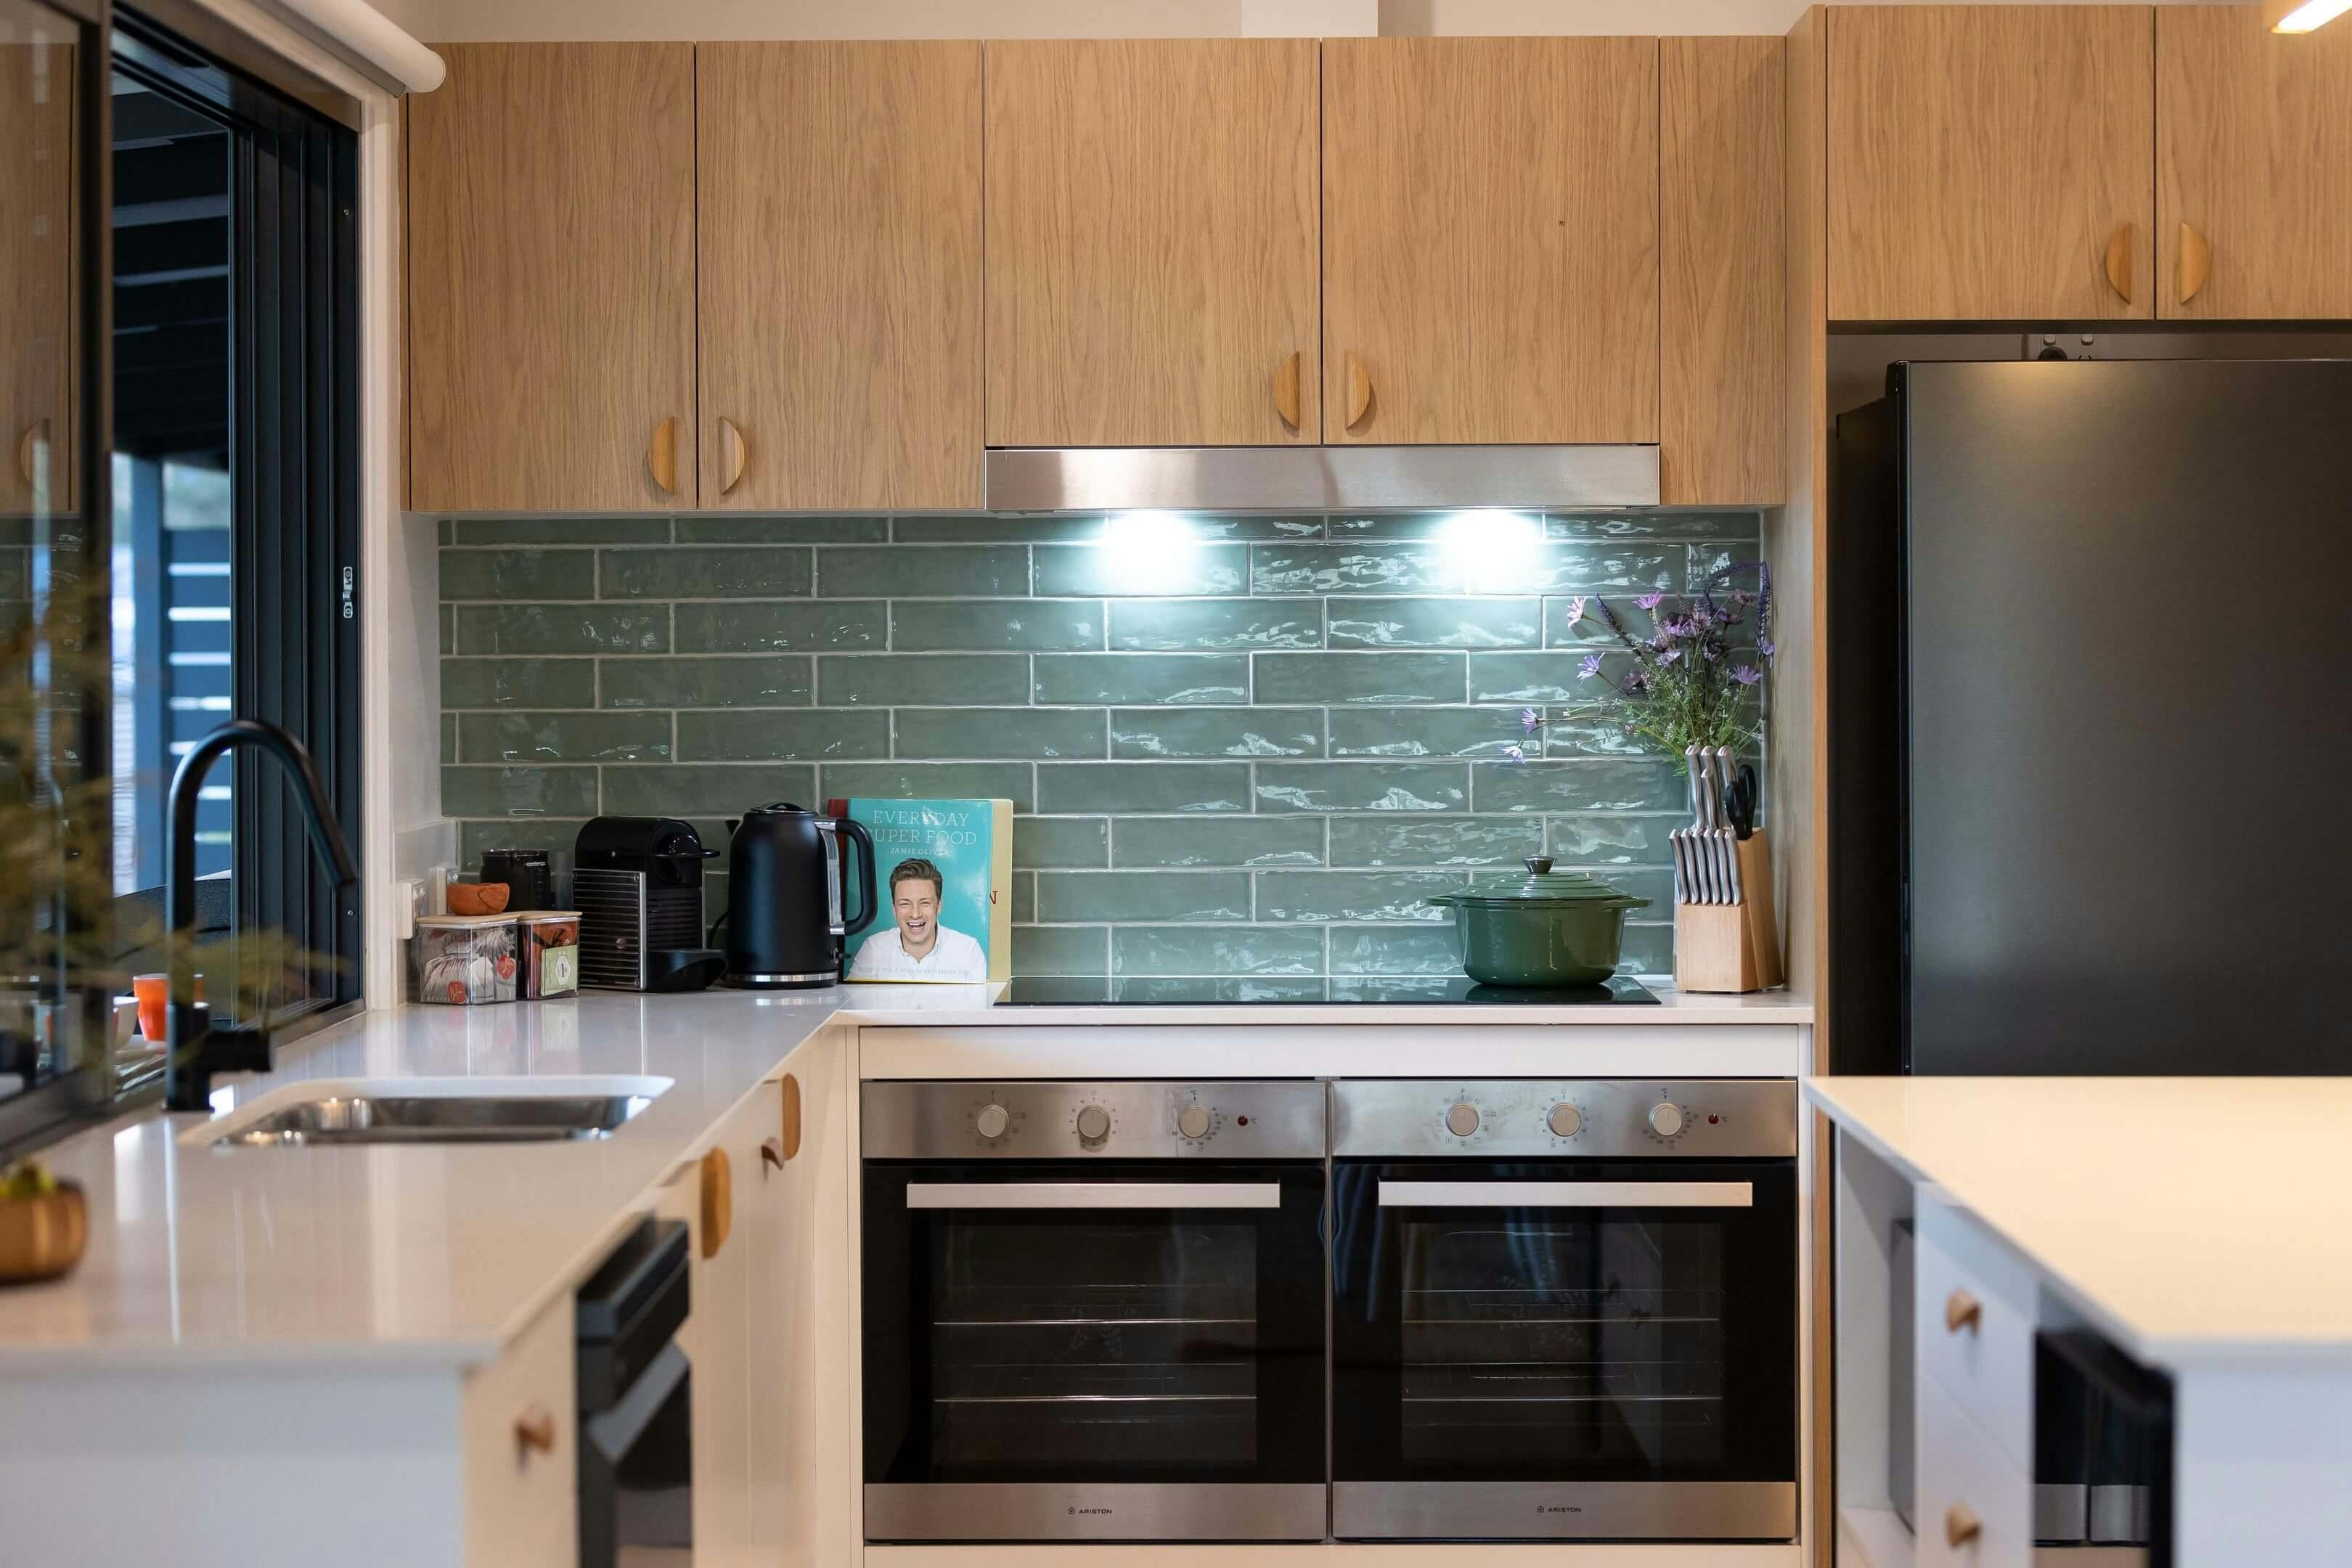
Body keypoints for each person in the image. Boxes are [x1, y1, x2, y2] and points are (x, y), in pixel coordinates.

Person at [847, 857, 987, 982]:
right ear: (894, 908)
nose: (915, 914)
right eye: (905, 904)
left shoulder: (969, 951)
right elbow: (853, 1006)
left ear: (939, 906)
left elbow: (976, 1010)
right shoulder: (873, 949)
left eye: (925, 903)